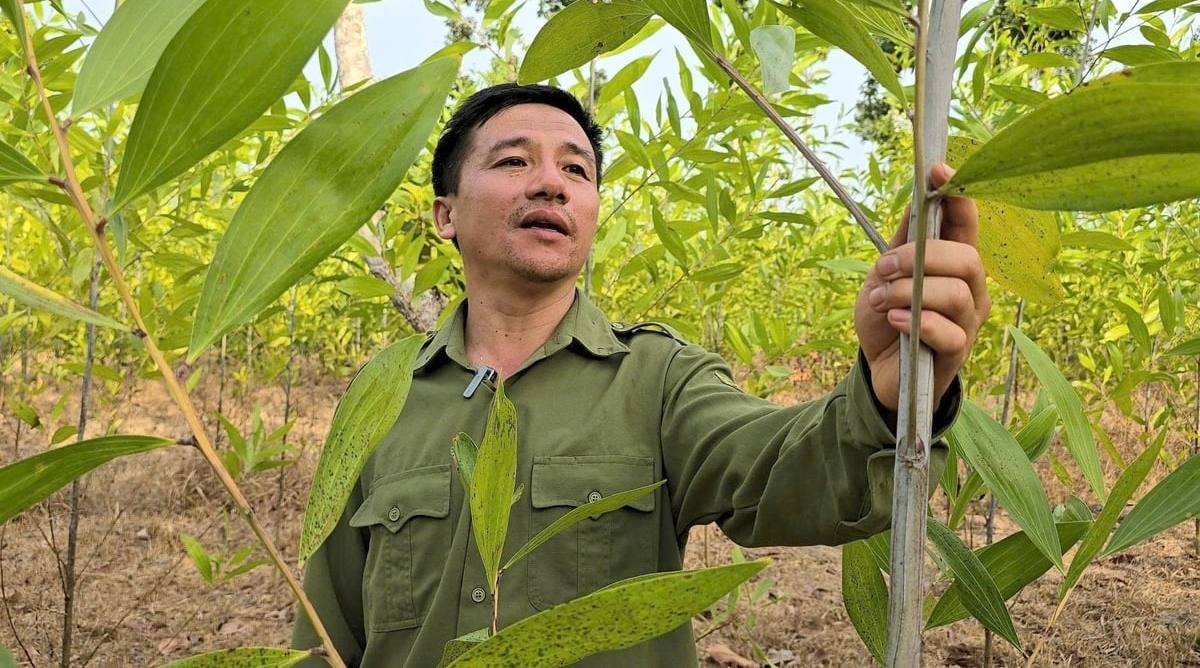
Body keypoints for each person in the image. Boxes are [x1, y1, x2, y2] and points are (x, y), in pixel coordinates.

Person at [293, 83, 990, 667]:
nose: (550, 184)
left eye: (577, 171)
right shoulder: (380, 399)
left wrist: (885, 393)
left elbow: (783, 473)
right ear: (445, 214)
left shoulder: (657, 378)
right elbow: (327, 626)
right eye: (513, 161)